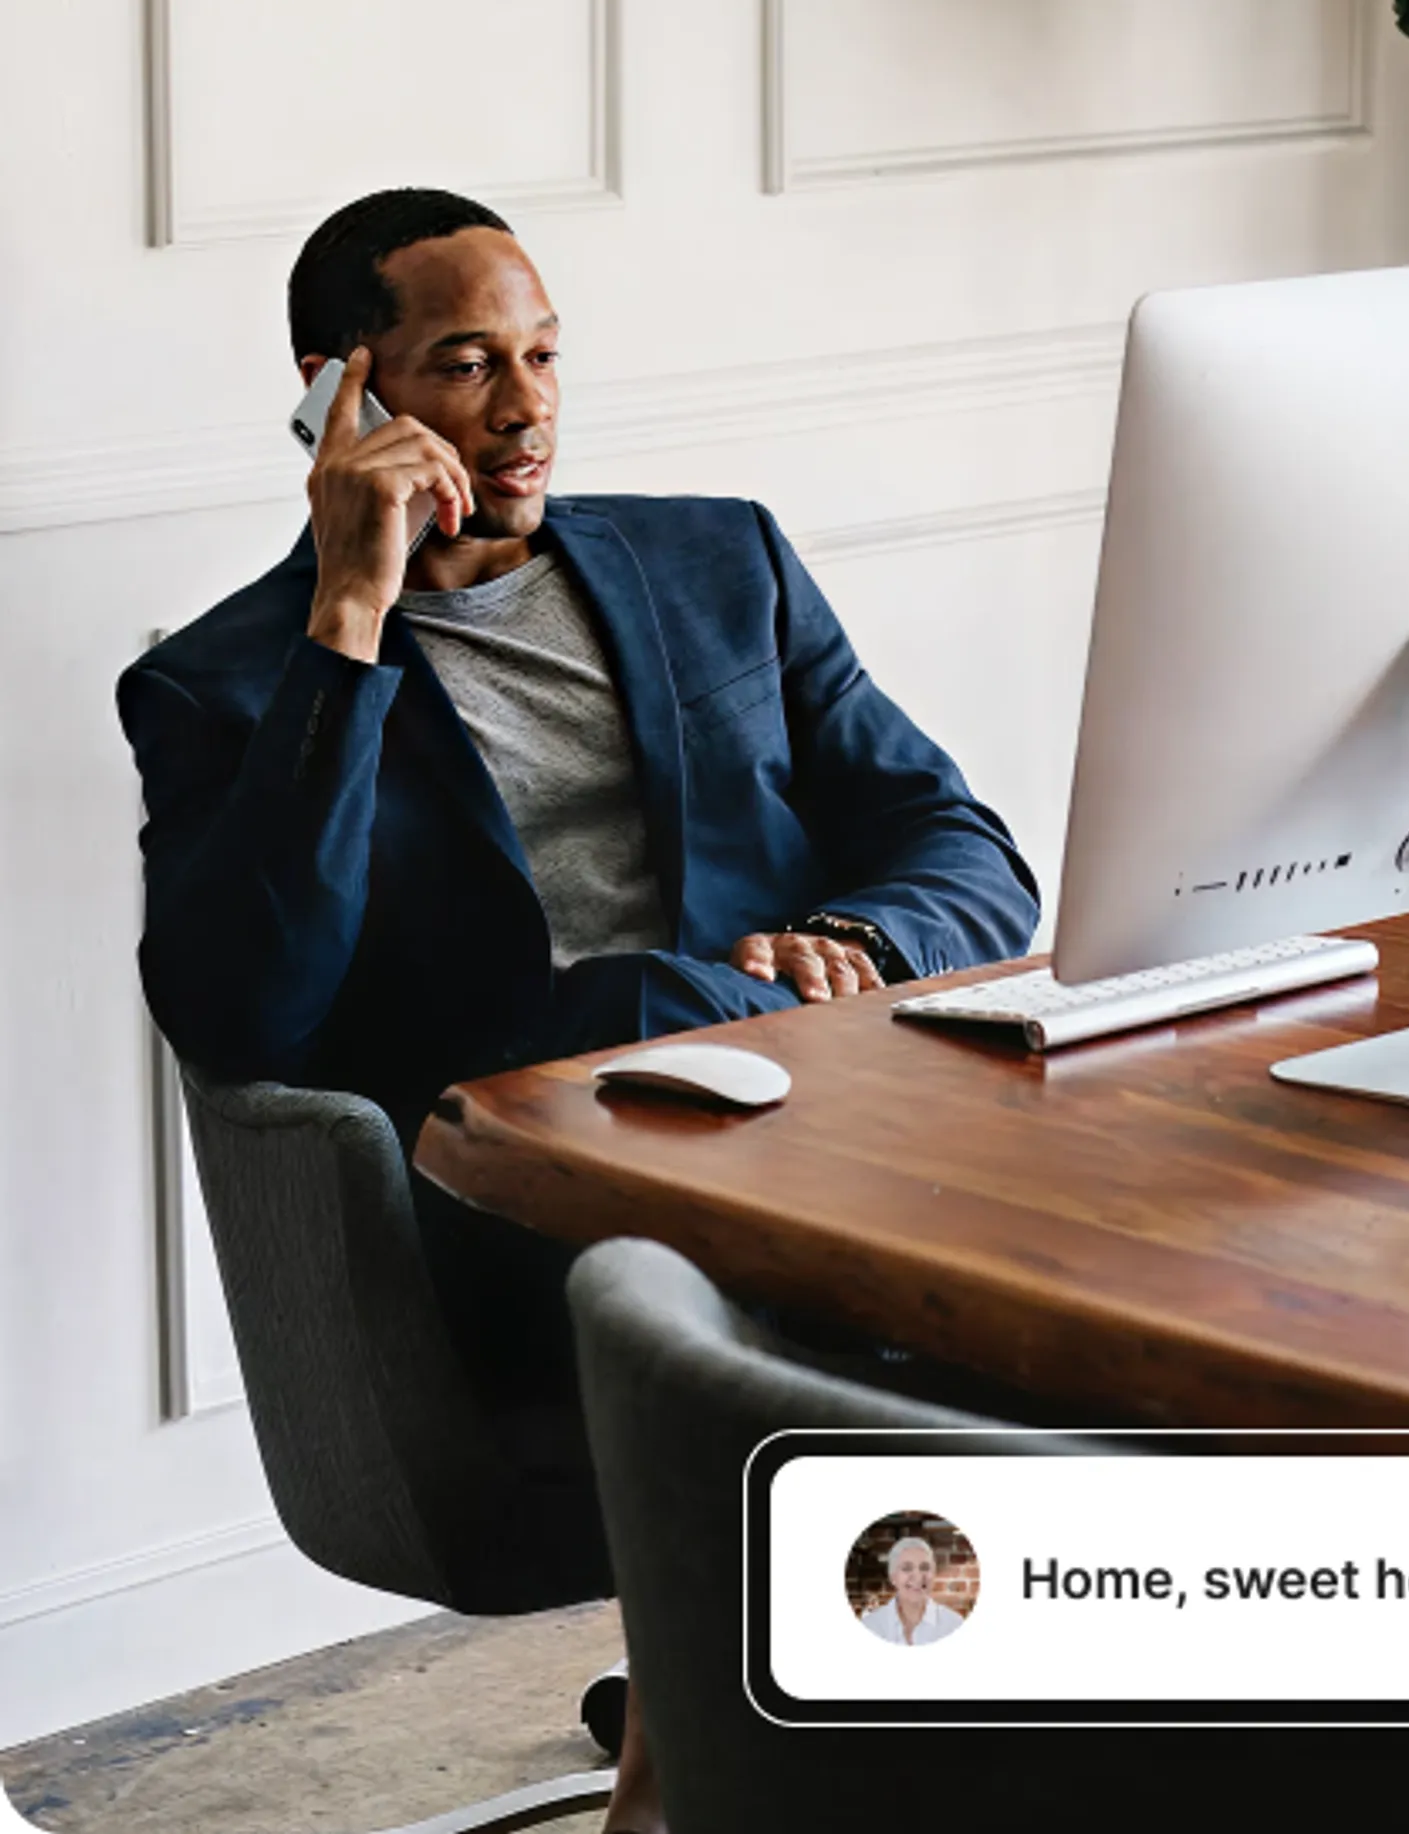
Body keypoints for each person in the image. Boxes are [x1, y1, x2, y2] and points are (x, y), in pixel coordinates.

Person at [116, 187, 1039, 1833]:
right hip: (511, 1205)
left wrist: (855, 934)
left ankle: (785, 1713)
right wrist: (350, 618)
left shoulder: (719, 561)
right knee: (632, 1004)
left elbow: (963, 849)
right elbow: (249, 1008)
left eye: (543, 355)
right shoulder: (230, 681)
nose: (529, 407)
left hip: (820, 1137)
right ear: (345, 395)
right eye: (468, 366)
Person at [860, 1536, 965, 1647]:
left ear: (933, 1574)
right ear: (893, 1577)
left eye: (925, 1568)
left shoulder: (954, 1625)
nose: (918, 1577)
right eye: (907, 1568)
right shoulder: (870, 1626)